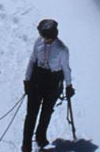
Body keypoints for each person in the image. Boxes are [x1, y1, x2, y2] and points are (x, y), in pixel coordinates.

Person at [22, 19, 74, 151]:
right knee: (31, 113)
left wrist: (69, 86)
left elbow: (66, 68)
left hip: (53, 81)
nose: (43, 39)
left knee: (46, 112)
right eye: (42, 35)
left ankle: (40, 137)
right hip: (37, 78)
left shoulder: (62, 50)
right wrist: (27, 80)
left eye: (46, 37)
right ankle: (26, 144)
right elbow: (33, 59)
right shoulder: (38, 41)